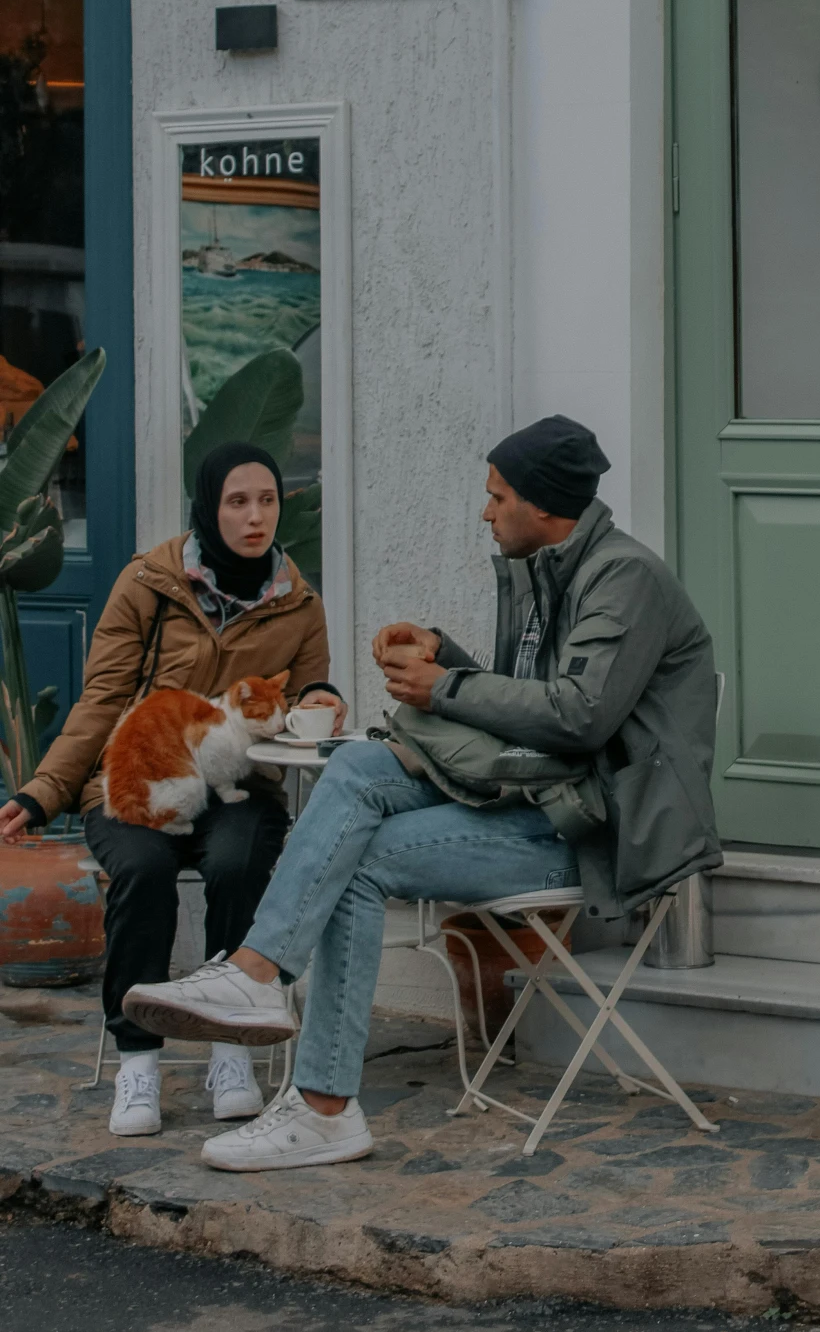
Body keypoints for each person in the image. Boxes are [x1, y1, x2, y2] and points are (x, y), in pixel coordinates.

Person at [121, 414, 722, 1173]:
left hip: (586, 828)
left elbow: (580, 714)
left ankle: (321, 1102)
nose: (484, 510)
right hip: (529, 794)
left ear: (541, 506)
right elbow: (530, 699)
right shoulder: (550, 568)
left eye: (495, 495)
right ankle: (256, 977)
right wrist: (447, 654)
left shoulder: (623, 578)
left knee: (356, 861)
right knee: (359, 767)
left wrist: (448, 686)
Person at [0, 442, 343, 1139]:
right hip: (140, 779)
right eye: (237, 502)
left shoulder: (299, 603)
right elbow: (101, 700)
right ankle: (138, 1059)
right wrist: (42, 792)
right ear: (209, 508)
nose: (255, 517)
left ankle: (230, 1051)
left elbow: (308, 690)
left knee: (238, 863)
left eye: (268, 500)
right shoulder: (150, 584)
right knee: (144, 869)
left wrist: (324, 698)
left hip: (241, 787)